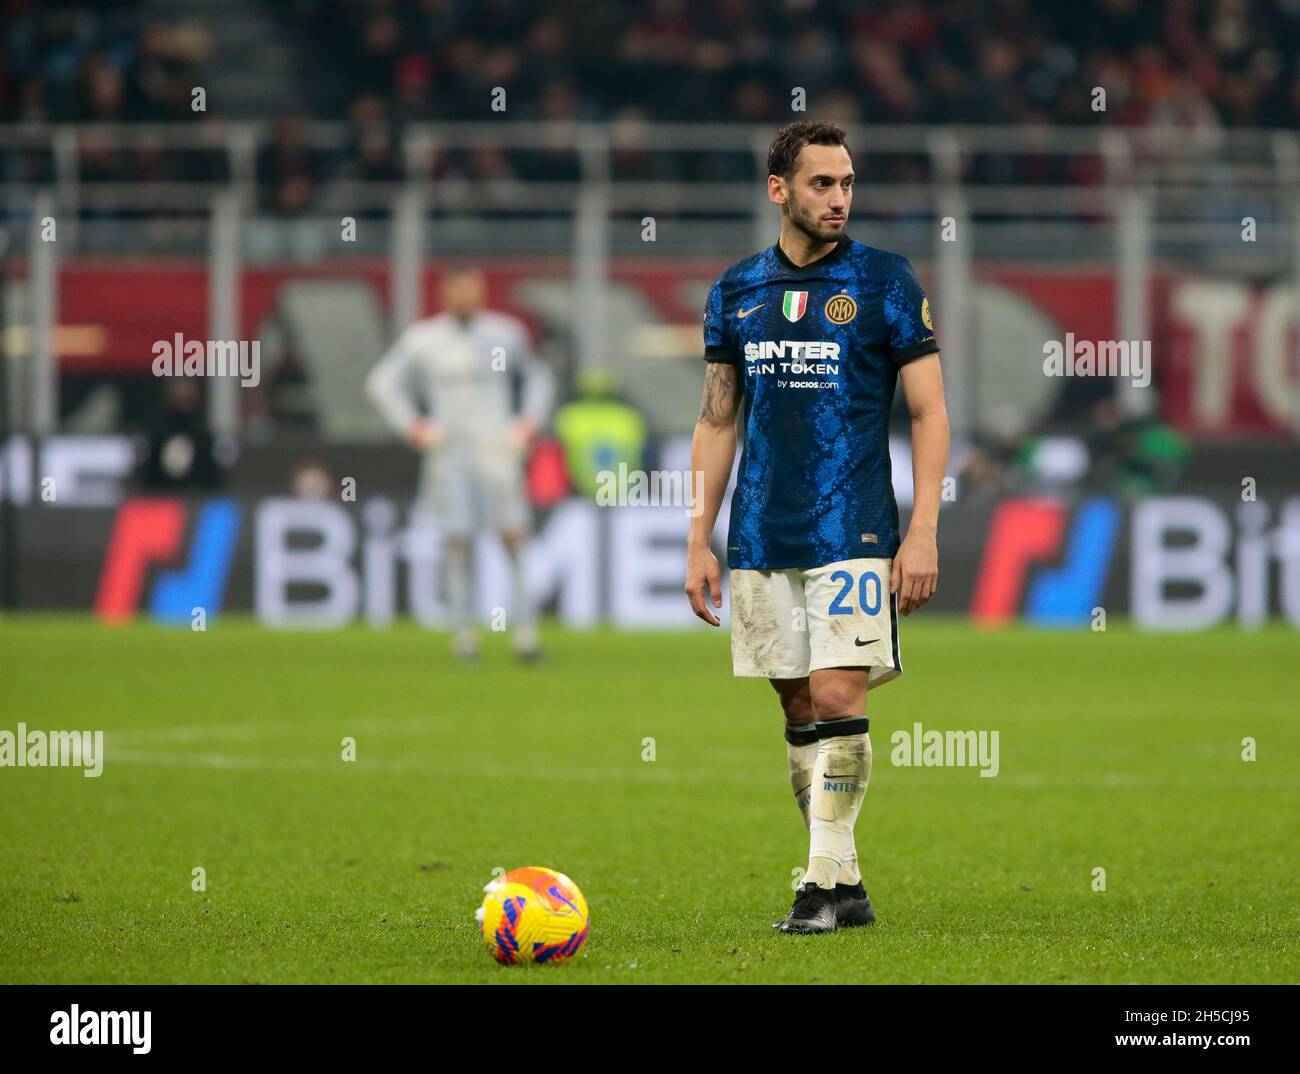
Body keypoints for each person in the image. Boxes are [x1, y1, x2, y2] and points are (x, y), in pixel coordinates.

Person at [684, 120, 950, 934]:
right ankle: (849, 883)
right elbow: (718, 419)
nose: (839, 199)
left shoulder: (886, 281)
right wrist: (699, 535)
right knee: (800, 708)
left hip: (855, 525)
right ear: (780, 191)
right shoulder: (736, 291)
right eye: (821, 184)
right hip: (763, 531)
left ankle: (818, 886)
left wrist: (925, 530)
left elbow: (931, 412)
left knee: (839, 692)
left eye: (847, 184)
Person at [366, 268, 554, 661]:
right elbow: (382, 383)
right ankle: (464, 635)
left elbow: (539, 378)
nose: (467, 298)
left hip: (496, 449)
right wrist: (415, 428)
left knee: (513, 536)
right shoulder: (424, 338)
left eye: (473, 291)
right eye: (459, 291)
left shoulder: (505, 333)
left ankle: (526, 634)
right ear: (446, 295)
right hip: (450, 453)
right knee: (457, 541)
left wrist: (526, 426)